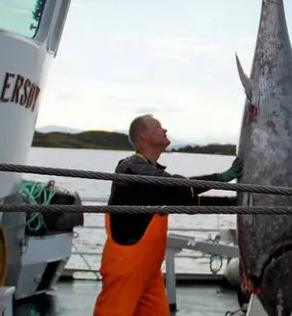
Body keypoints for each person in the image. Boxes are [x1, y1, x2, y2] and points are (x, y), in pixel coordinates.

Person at [93, 114, 243, 316]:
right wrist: (220, 178)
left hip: (150, 270)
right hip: (126, 265)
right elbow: (174, 187)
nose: (164, 130)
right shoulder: (129, 167)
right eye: (158, 126)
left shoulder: (152, 172)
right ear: (145, 135)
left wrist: (234, 203)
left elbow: (186, 199)